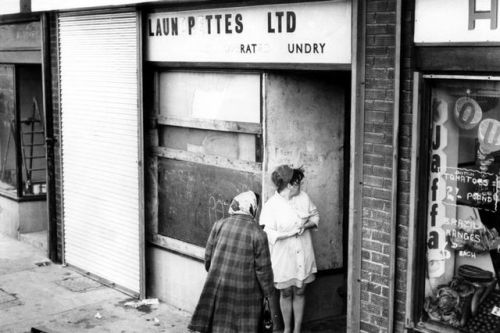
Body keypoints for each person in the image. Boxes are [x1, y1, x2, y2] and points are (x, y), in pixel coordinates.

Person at [188, 191, 274, 333]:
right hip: (246, 291)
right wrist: (268, 293)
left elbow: (208, 259)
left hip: (219, 285)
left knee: (221, 325)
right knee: (242, 326)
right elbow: (263, 270)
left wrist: (217, 274)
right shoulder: (258, 233)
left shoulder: (219, 225)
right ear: (252, 208)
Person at [260, 165, 319, 333]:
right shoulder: (271, 205)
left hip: (303, 251)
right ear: (289, 185)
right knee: (286, 292)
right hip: (283, 256)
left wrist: (306, 225)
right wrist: (289, 233)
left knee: (300, 291)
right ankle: (287, 329)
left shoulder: (304, 198)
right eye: (298, 182)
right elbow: (267, 232)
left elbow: (315, 215)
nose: (300, 185)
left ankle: (297, 330)